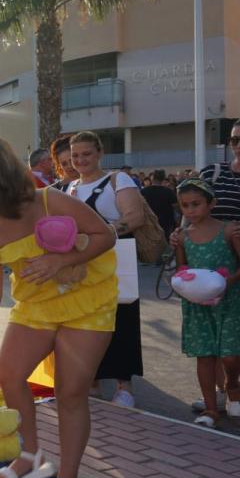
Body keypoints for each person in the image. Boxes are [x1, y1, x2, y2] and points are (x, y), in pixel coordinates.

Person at [0, 134, 116, 478]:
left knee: (70, 392)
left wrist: (62, 260)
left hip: (87, 302)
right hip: (36, 307)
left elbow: (106, 235)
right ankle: (30, 453)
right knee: (9, 373)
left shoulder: (51, 201)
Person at [184, 114, 240, 419]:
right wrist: (181, 236)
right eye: (234, 139)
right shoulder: (214, 172)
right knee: (216, 324)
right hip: (214, 258)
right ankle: (222, 392)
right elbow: (192, 210)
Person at [67, 130, 146, 408]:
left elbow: (134, 217)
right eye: (75, 156)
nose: (80, 160)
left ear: (100, 153)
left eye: (86, 154)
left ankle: (125, 386)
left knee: (121, 319)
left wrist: (101, 236)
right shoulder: (70, 188)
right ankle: (92, 381)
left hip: (115, 260)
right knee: (85, 322)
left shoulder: (117, 180)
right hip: (83, 264)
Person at [174, 178, 240, 426]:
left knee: (229, 355)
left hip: (229, 302)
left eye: (196, 204)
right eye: (185, 205)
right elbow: (181, 269)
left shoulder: (229, 230)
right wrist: (185, 284)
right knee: (205, 355)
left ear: (211, 203)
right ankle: (211, 409)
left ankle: (233, 385)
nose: (191, 210)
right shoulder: (183, 237)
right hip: (198, 306)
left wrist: (226, 282)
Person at [141, 169, 178, 240]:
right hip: (166, 222)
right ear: (163, 179)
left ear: (152, 178)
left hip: (150, 222)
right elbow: (176, 206)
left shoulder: (144, 191)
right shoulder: (168, 192)